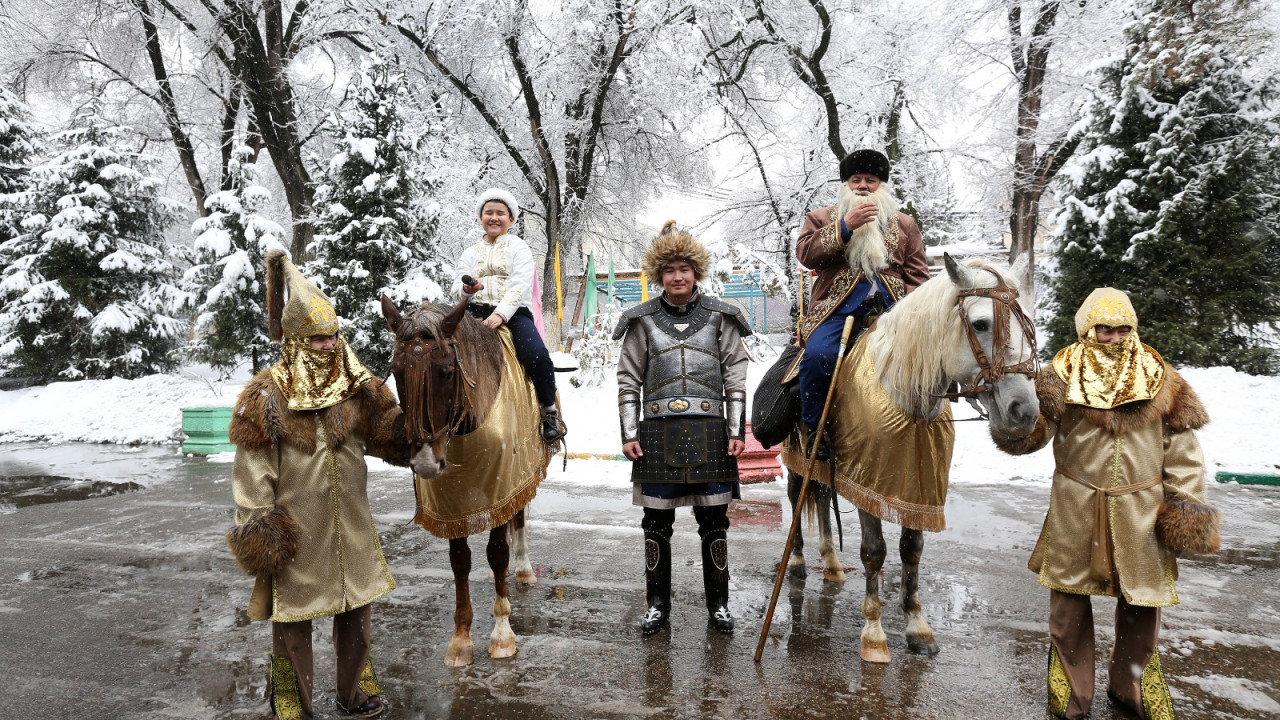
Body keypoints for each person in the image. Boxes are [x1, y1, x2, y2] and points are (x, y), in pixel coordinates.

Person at [996, 288, 1221, 720]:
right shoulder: (1059, 374)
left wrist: (1187, 506)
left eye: (1122, 328)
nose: (1113, 336)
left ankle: (1130, 688)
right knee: (1068, 607)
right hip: (1076, 506)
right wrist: (1015, 423)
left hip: (1143, 510)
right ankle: (1073, 694)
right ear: (1087, 329)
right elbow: (1034, 435)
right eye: (1104, 328)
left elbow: (1183, 452)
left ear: (1132, 328)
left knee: (1142, 606)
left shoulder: (1161, 377)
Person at [226, 250, 411, 720]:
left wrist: (411, 425)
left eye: (333, 336)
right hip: (297, 531)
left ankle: (355, 692)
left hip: (350, 525)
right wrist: (262, 530)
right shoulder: (266, 397)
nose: (329, 346)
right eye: (317, 339)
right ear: (295, 342)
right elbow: (252, 477)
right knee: (292, 623)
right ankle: (292, 702)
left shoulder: (358, 385)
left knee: (357, 613)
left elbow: (386, 436)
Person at [613, 220, 751, 635]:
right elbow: (627, 379)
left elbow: (736, 376)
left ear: (696, 273)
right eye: (669, 270)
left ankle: (719, 606)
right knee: (656, 523)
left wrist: (736, 431)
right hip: (657, 431)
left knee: (715, 521)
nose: (677, 277)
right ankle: (657, 606)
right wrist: (629, 433)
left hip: (711, 429)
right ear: (659, 275)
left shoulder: (723, 317)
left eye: (684, 269)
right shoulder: (640, 321)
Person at [793, 149, 931, 455]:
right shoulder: (820, 218)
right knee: (818, 357)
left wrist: (914, 313)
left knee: (928, 358)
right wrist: (845, 226)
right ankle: (815, 430)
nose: (863, 186)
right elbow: (805, 255)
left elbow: (918, 276)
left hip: (893, 310)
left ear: (882, 185)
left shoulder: (905, 224)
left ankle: (922, 424)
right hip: (835, 311)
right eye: (856, 180)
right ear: (846, 184)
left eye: (871, 180)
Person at [453, 188, 565, 445]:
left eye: (500, 213)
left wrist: (501, 315)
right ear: (481, 217)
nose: (494, 217)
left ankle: (549, 412)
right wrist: (466, 289)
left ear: (511, 220)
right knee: (439, 352)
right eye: (488, 212)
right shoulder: (470, 252)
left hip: (514, 313)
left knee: (536, 355)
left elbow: (521, 285)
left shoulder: (519, 247)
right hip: (473, 311)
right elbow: (454, 284)